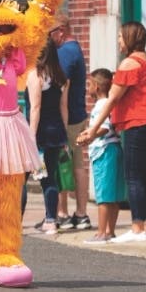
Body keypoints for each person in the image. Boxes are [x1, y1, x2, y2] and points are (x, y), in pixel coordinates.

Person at [84, 21, 146, 243]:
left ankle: (138, 228)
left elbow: (112, 99)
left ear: (130, 38)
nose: (119, 41)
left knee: (134, 177)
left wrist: (93, 130)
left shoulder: (129, 64)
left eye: (121, 37)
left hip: (139, 123)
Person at [76, 68, 126, 243]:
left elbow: (104, 127)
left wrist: (91, 135)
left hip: (103, 152)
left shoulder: (100, 105)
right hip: (114, 149)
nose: (87, 87)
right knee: (113, 194)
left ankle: (101, 233)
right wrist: (87, 134)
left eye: (89, 84)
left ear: (96, 87)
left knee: (103, 195)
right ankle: (110, 231)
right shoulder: (109, 104)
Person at [51, 16, 92, 230]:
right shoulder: (74, 49)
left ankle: (63, 212)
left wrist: (60, 119)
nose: (48, 39)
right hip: (77, 115)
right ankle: (81, 214)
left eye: (50, 33)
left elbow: (61, 88)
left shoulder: (65, 53)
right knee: (75, 164)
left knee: (64, 164)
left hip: (67, 117)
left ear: (61, 31)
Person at [26, 35, 69, 235]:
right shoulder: (61, 77)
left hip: (39, 133)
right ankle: (51, 220)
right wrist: (65, 135)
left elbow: (35, 108)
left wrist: (30, 137)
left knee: (20, 179)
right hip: (56, 132)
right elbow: (64, 108)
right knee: (49, 177)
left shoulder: (36, 75)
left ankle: (14, 221)